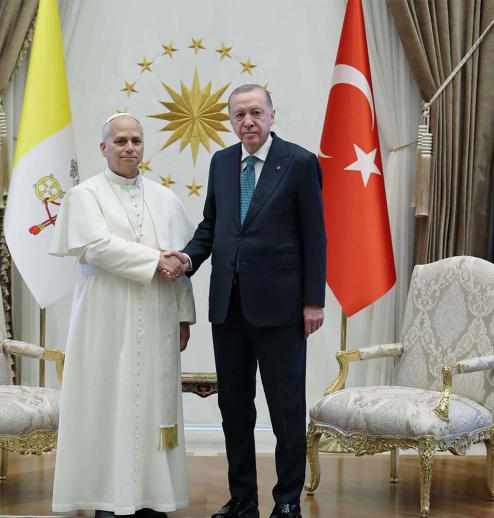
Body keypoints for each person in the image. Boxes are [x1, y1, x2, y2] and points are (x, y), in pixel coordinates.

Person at [170, 85, 326, 518]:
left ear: (272, 115)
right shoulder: (222, 162)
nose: (248, 122)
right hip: (229, 307)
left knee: (285, 407)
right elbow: (212, 227)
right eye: (239, 115)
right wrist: (186, 259)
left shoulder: (299, 163)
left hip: (281, 308)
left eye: (256, 112)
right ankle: (242, 499)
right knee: (234, 407)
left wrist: (313, 301)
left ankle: (288, 500)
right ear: (231, 120)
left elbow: (315, 236)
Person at [50, 113, 193, 518]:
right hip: (105, 320)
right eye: (120, 141)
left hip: (158, 315)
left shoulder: (166, 198)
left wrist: (184, 316)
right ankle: (110, 499)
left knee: (153, 406)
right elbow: (96, 247)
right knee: (108, 404)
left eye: (136, 141)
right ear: (104, 148)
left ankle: (154, 498)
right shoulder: (85, 196)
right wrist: (156, 260)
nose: (129, 148)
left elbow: (181, 263)